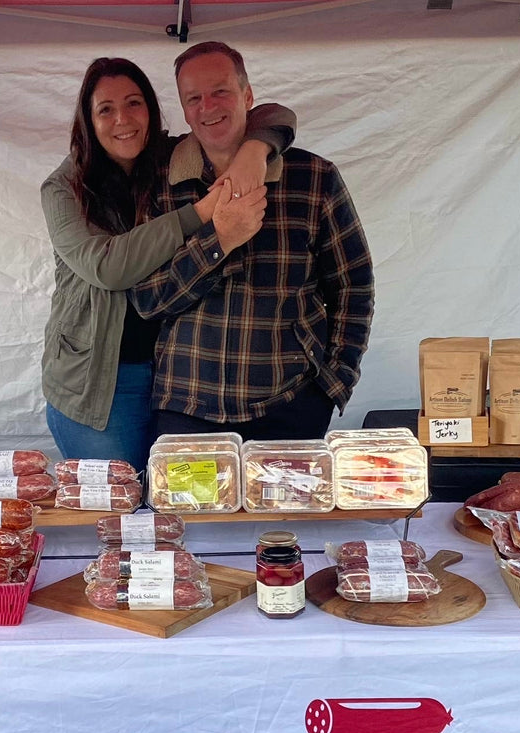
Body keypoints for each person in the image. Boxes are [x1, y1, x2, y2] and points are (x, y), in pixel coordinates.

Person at [40, 57, 296, 471]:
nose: (123, 119)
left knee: (178, 503)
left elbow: (275, 114)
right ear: (87, 119)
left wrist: (255, 149)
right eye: (106, 109)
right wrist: (201, 212)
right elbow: (107, 267)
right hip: (102, 382)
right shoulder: (63, 189)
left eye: (134, 103)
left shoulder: (168, 161)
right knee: (122, 508)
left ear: (152, 109)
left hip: (177, 381)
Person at [129, 41, 375, 441]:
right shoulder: (159, 183)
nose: (208, 107)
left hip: (291, 405)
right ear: (185, 110)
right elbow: (147, 299)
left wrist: (333, 385)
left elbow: (354, 287)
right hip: (186, 406)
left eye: (220, 91)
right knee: (186, 508)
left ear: (248, 95)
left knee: (283, 507)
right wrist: (219, 242)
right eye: (194, 98)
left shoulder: (313, 178)